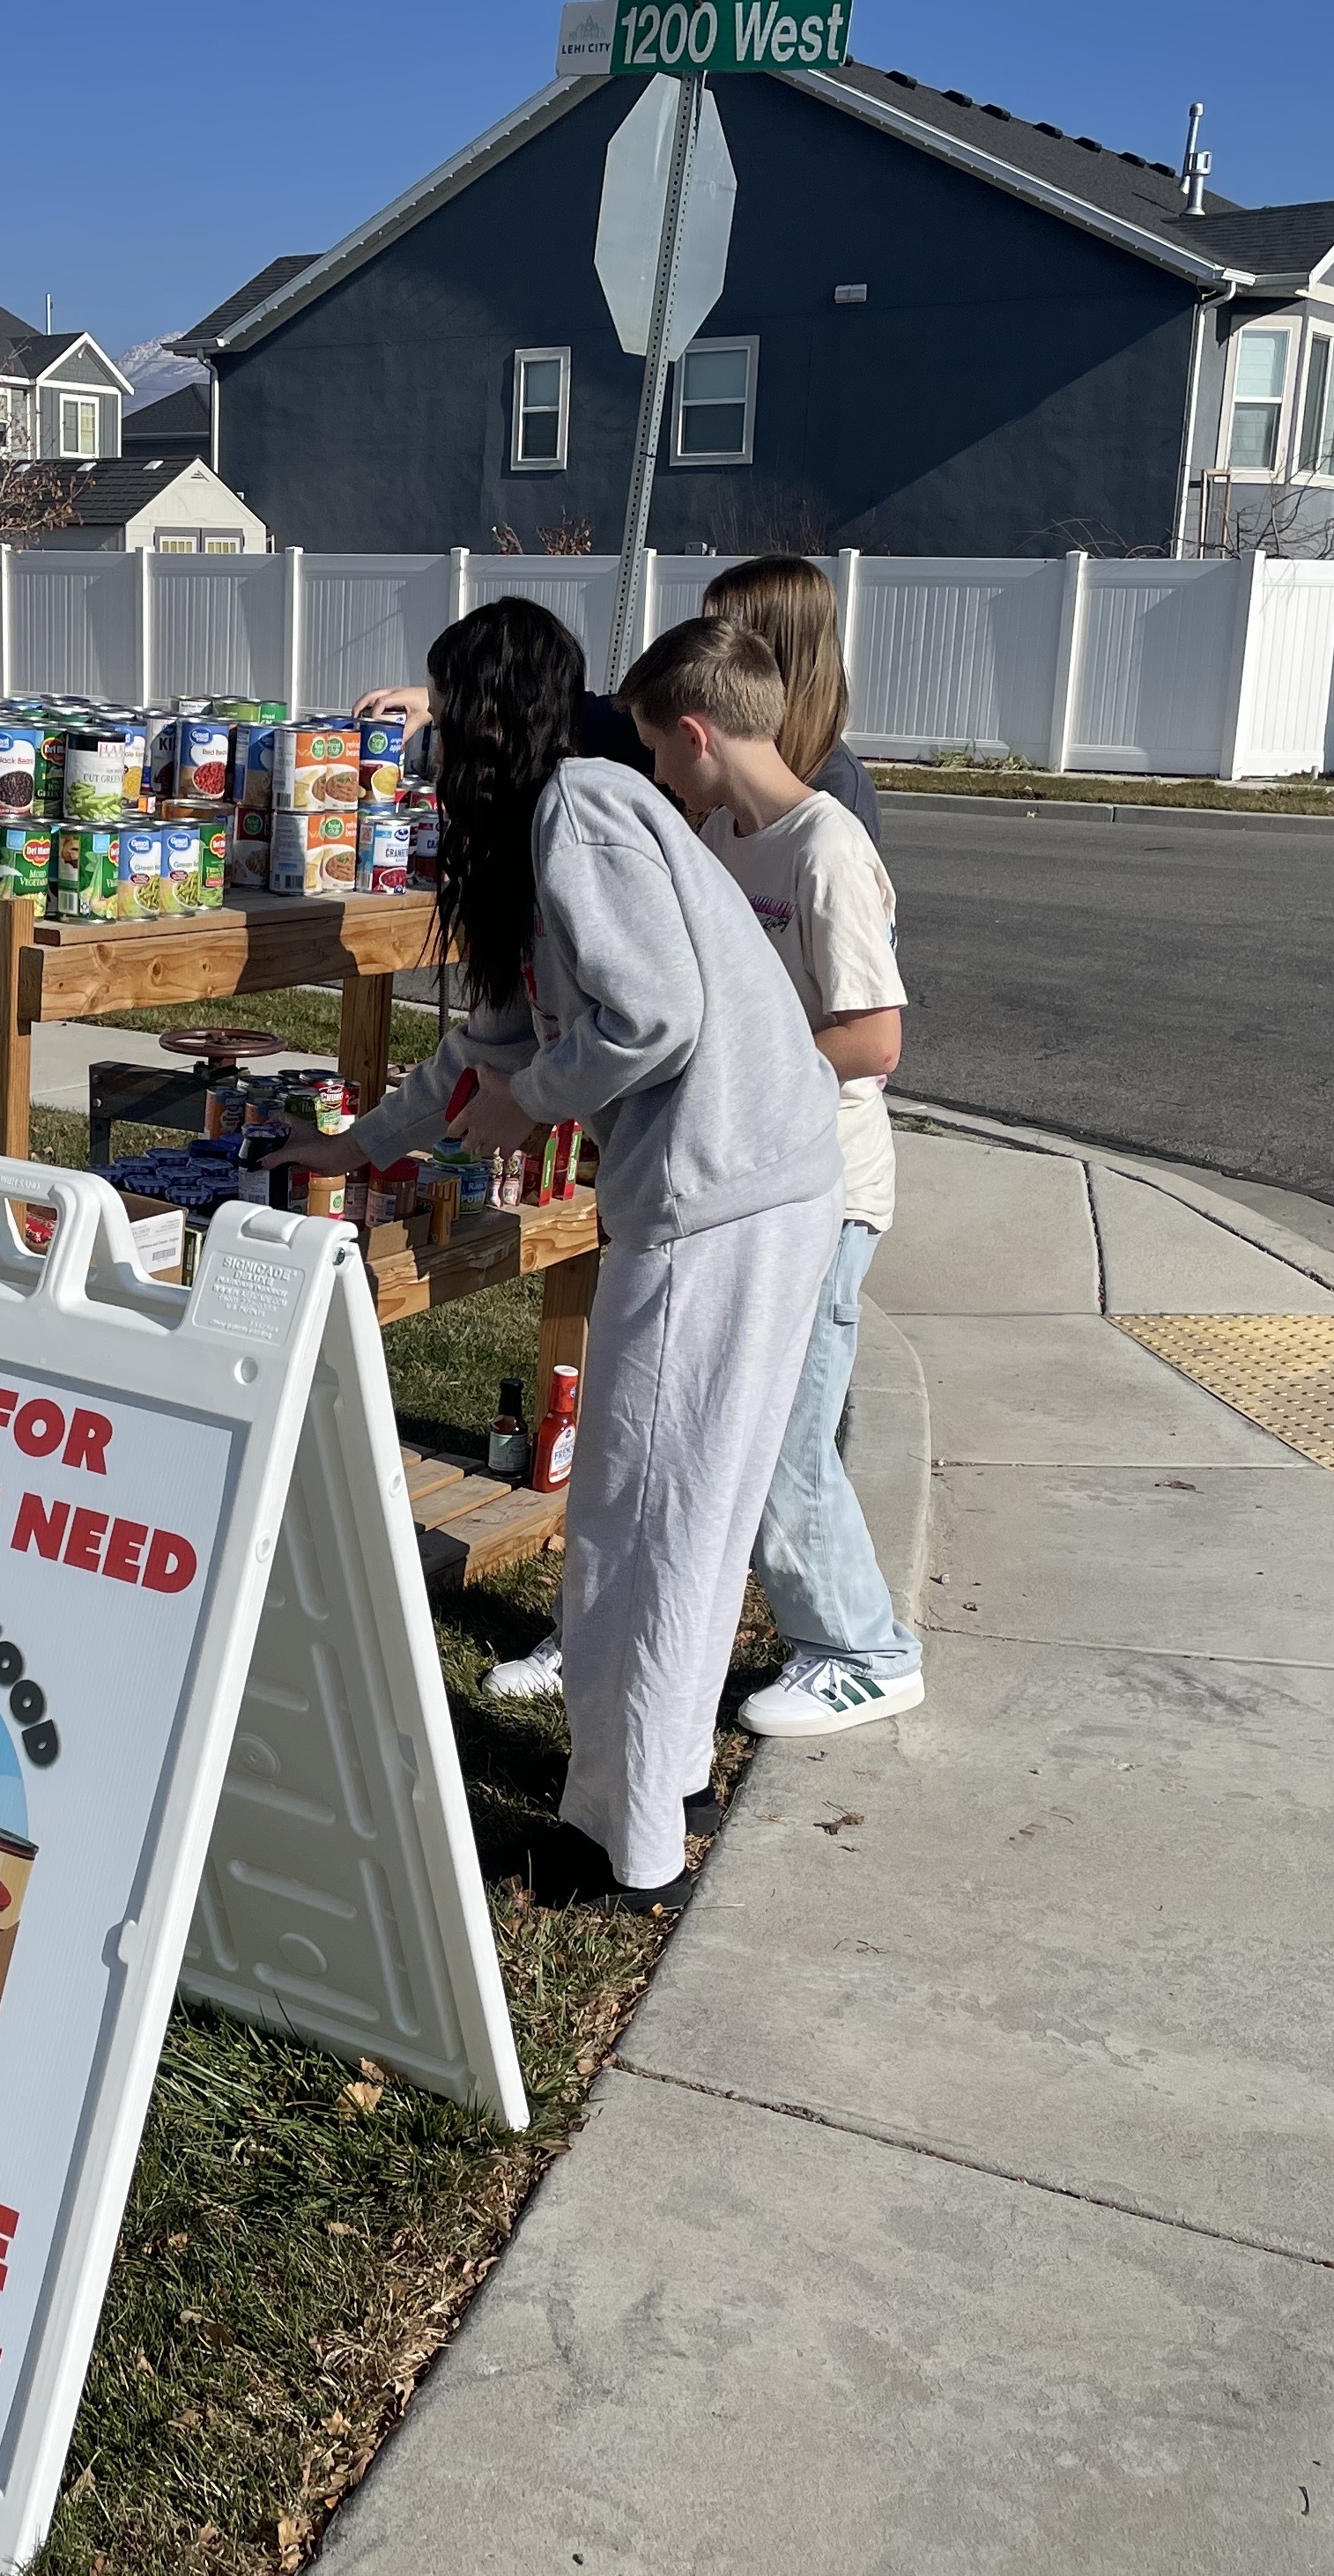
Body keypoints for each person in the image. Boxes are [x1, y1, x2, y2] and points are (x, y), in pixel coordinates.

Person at [269, 598, 840, 1911]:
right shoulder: (566, 822)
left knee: (639, 1520)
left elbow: (650, 1020)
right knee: (683, 1515)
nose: (425, 742)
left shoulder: (579, 803)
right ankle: (661, 1779)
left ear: (485, 714)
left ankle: (620, 1848)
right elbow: (494, 1049)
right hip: (760, 1187)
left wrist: (541, 1101)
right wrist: (362, 1151)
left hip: (723, 1203)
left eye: (440, 708)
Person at [619, 614, 923, 1736]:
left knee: (787, 1435)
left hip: (831, 1194)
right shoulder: (726, 838)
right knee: (750, 1425)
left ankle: (863, 1649)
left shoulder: (823, 849)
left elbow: (876, 1040)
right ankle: (834, 1635)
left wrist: (744, 1068)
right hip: (760, 1180)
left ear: (697, 734)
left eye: (657, 751)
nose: (654, 774)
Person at [356, 551, 884, 842]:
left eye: (723, 627)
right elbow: (571, 709)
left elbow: (868, 1032)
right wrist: (450, 701)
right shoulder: (667, 740)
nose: (659, 770)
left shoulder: (836, 801)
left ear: (772, 651)